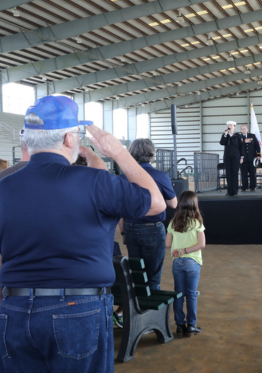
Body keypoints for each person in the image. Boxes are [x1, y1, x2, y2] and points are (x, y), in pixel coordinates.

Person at [0, 95, 166, 372]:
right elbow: (156, 203)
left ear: (28, 139)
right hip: (77, 309)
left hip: (13, 309)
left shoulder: (4, 188)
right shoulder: (95, 182)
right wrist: (117, 151)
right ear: (68, 139)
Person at [119, 138, 178, 292]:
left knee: (137, 275)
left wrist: (123, 232)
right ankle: (151, 314)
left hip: (131, 228)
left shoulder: (124, 177)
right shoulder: (160, 176)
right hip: (152, 229)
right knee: (153, 277)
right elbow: (173, 204)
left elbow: (120, 210)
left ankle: (136, 312)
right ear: (152, 155)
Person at [166, 191, 205, 338]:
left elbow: (167, 244)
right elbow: (202, 244)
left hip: (177, 263)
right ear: (194, 205)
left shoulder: (172, 222)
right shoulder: (197, 223)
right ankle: (191, 325)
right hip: (192, 262)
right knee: (191, 295)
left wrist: (179, 250)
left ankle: (180, 325)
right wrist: (185, 250)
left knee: (179, 294)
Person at [219, 121, 243, 196]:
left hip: (236, 157)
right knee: (228, 173)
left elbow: (241, 147)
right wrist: (225, 135)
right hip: (227, 157)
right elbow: (222, 143)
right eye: (228, 125)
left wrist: (242, 157)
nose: (229, 126)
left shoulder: (238, 136)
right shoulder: (225, 135)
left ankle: (235, 191)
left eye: (231, 125)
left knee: (235, 173)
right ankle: (229, 191)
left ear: (234, 127)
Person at [239, 124, 261, 192]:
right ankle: (244, 186)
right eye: (242, 129)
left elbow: (257, 145)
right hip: (243, 159)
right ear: (241, 130)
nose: (244, 130)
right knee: (244, 173)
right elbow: (237, 146)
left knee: (252, 173)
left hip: (252, 158)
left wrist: (258, 155)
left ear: (247, 129)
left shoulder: (252, 136)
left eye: (245, 128)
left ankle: (253, 186)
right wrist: (244, 142)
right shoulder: (239, 137)